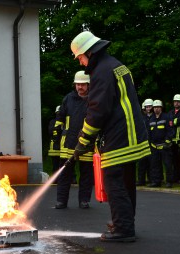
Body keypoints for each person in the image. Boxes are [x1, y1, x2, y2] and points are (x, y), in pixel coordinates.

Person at [70, 31, 149, 242]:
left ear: (88, 52)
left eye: (80, 57)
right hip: (130, 134)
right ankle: (125, 223)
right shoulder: (115, 65)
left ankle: (123, 229)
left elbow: (98, 111)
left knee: (114, 182)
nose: (80, 63)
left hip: (119, 136)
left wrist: (82, 142)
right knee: (125, 181)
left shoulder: (102, 72)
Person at [54, 71, 94, 209]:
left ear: (88, 85)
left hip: (87, 143)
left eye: (82, 84)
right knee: (64, 175)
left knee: (86, 175)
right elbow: (60, 117)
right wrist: (56, 132)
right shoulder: (68, 98)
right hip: (68, 143)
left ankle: (84, 200)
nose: (80, 87)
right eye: (77, 84)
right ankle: (61, 201)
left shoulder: (94, 99)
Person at [147, 100, 173, 188]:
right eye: (154, 107)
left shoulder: (166, 117)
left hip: (164, 146)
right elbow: (148, 132)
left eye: (158, 107)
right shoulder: (151, 119)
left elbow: (170, 131)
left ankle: (169, 181)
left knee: (168, 164)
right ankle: (156, 181)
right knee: (155, 165)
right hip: (154, 146)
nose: (156, 109)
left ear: (161, 108)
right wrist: (150, 143)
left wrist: (167, 142)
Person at [169, 94, 180, 184]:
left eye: (178, 102)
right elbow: (170, 123)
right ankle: (175, 178)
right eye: (175, 101)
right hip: (172, 141)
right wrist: (175, 121)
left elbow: (179, 122)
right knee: (174, 161)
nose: (176, 103)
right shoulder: (171, 112)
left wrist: (175, 121)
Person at [137, 98, 154, 186]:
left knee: (152, 163)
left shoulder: (155, 117)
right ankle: (141, 180)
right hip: (143, 142)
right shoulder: (142, 118)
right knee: (142, 163)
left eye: (150, 106)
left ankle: (151, 179)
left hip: (152, 143)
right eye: (147, 107)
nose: (148, 108)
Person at [47, 105, 63, 174]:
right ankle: (56, 180)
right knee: (57, 166)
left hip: (59, 148)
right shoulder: (55, 122)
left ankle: (56, 180)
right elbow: (51, 132)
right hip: (57, 148)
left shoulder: (52, 122)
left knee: (57, 166)